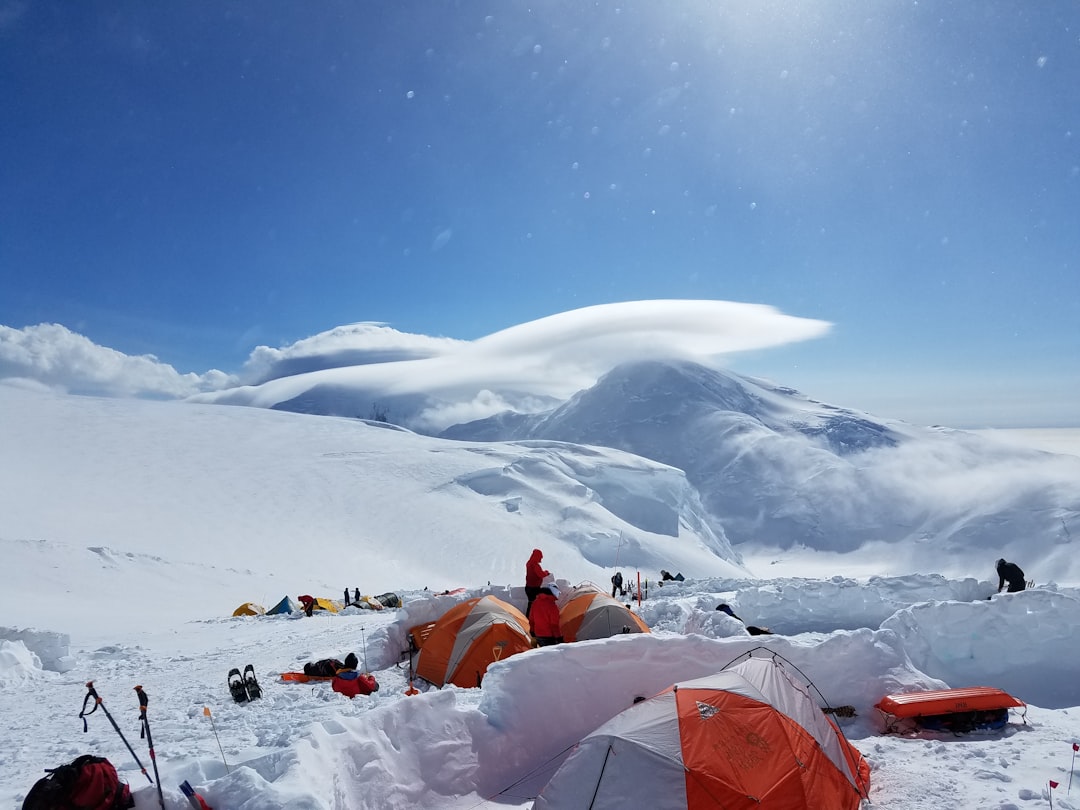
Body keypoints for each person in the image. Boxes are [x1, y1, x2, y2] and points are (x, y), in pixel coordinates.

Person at [525, 548, 549, 617]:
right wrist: (546, 572)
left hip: (528, 587)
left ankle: (528, 619)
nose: (540, 559)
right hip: (534, 588)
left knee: (531, 604)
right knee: (533, 605)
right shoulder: (535, 565)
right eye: (540, 557)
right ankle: (531, 620)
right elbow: (541, 574)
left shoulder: (529, 563)